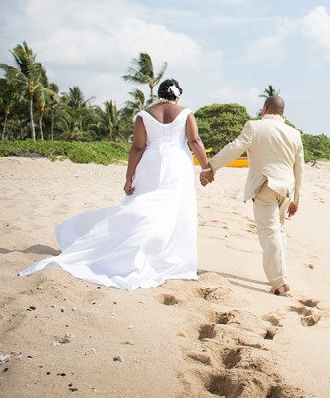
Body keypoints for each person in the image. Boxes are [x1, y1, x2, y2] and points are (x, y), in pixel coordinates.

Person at [19, 79, 211, 290]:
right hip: (177, 164)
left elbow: (137, 148)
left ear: (160, 93)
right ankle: (169, 259)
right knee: (176, 210)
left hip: (151, 164)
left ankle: (134, 248)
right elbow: (195, 141)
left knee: (144, 205)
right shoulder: (186, 113)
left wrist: (129, 177)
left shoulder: (144, 114)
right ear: (177, 95)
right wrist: (206, 168)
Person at [201, 95, 303, 296]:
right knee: (279, 231)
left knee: (270, 232)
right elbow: (299, 168)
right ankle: (280, 275)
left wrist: (212, 167)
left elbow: (234, 147)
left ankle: (280, 283)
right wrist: (296, 199)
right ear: (282, 112)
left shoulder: (254, 126)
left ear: (265, 108)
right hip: (287, 189)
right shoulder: (294, 133)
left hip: (265, 185)